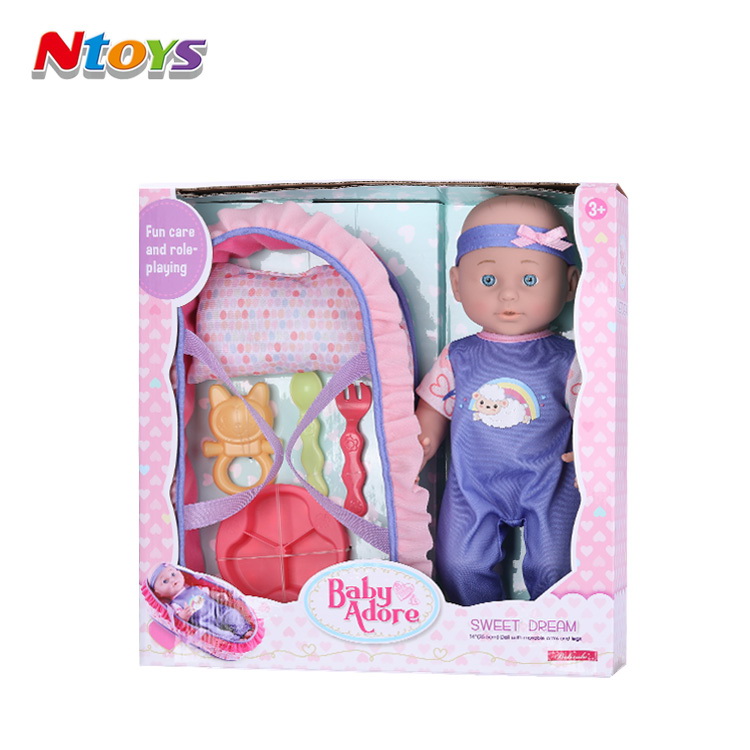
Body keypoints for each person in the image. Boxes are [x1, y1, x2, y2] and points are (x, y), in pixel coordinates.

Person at [416, 195, 581, 604]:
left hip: (550, 483)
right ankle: (476, 630)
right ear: (457, 284)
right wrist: (416, 448)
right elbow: (431, 415)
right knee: (460, 566)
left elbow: (592, 418)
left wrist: (591, 456)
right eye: (489, 280)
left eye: (530, 280)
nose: (509, 295)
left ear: (570, 284)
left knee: (557, 566)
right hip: (472, 485)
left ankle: (558, 626)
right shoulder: (459, 357)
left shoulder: (568, 359)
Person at [150, 563, 256, 641]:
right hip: (205, 623)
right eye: (165, 581)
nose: (172, 579)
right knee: (218, 634)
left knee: (232, 614)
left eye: (173, 574)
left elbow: (209, 593)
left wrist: (218, 595)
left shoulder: (195, 588)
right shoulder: (175, 604)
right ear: (159, 594)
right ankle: (235, 640)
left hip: (218, 610)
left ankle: (244, 630)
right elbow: (179, 621)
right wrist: (184, 615)